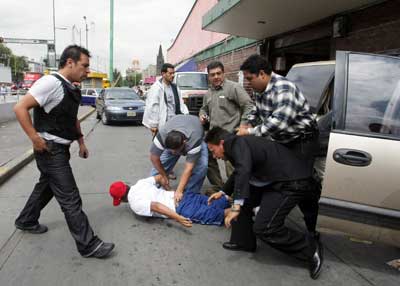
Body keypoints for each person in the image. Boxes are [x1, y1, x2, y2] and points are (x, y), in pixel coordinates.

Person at [13, 45, 114, 258]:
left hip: (61, 148)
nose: (87, 71)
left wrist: (81, 142)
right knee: (70, 198)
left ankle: (26, 220)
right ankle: (89, 245)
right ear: (70, 62)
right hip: (49, 150)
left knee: (46, 187)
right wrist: (34, 138)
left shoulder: (71, 87)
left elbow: (71, 119)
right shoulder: (50, 82)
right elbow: (20, 108)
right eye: (84, 66)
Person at [206, 127, 322, 279]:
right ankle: (244, 241)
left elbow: (244, 171)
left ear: (221, 143)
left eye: (213, 150)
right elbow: (239, 172)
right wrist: (223, 192)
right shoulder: (236, 145)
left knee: (264, 227)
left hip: (291, 181)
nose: (214, 156)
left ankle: (311, 248)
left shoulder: (235, 144)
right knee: (244, 201)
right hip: (275, 179)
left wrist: (235, 207)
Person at [199, 61, 254, 195]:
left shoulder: (233, 88)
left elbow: (249, 105)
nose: (216, 77)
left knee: (233, 168)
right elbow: (203, 109)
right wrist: (202, 115)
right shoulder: (208, 93)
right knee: (208, 160)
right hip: (213, 136)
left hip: (231, 136)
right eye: (212, 75)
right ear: (209, 77)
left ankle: (235, 194)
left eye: (218, 73)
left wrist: (243, 126)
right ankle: (219, 187)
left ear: (223, 73)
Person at [109, 175, 231, 226]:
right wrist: (170, 190)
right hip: (181, 196)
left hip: (180, 208)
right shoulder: (140, 183)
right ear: (126, 186)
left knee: (220, 215)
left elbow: (156, 206)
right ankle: (238, 203)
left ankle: (240, 212)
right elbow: (160, 177)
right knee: (217, 201)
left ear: (121, 199)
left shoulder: (134, 204)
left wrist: (177, 217)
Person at [142, 63, 188, 180]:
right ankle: (158, 175)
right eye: (170, 73)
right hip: (162, 124)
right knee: (162, 150)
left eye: (174, 73)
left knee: (172, 147)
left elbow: (181, 103)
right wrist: (153, 124)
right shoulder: (156, 88)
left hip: (174, 123)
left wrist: (186, 115)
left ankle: (168, 169)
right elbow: (153, 106)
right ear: (163, 74)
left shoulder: (174, 87)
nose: (173, 75)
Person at [150, 114, 208, 204]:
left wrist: (179, 191)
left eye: (176, 151)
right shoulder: (163, 134)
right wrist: (164, 175)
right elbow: (154, 158)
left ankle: (189, 195)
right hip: (176, 132)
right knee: (161, 165)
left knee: (202, 166)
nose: (174, 153)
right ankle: (153, 190)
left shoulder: (194, 139)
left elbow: (188, 169)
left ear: (184, 143)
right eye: (171, 150)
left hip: (194, 132)